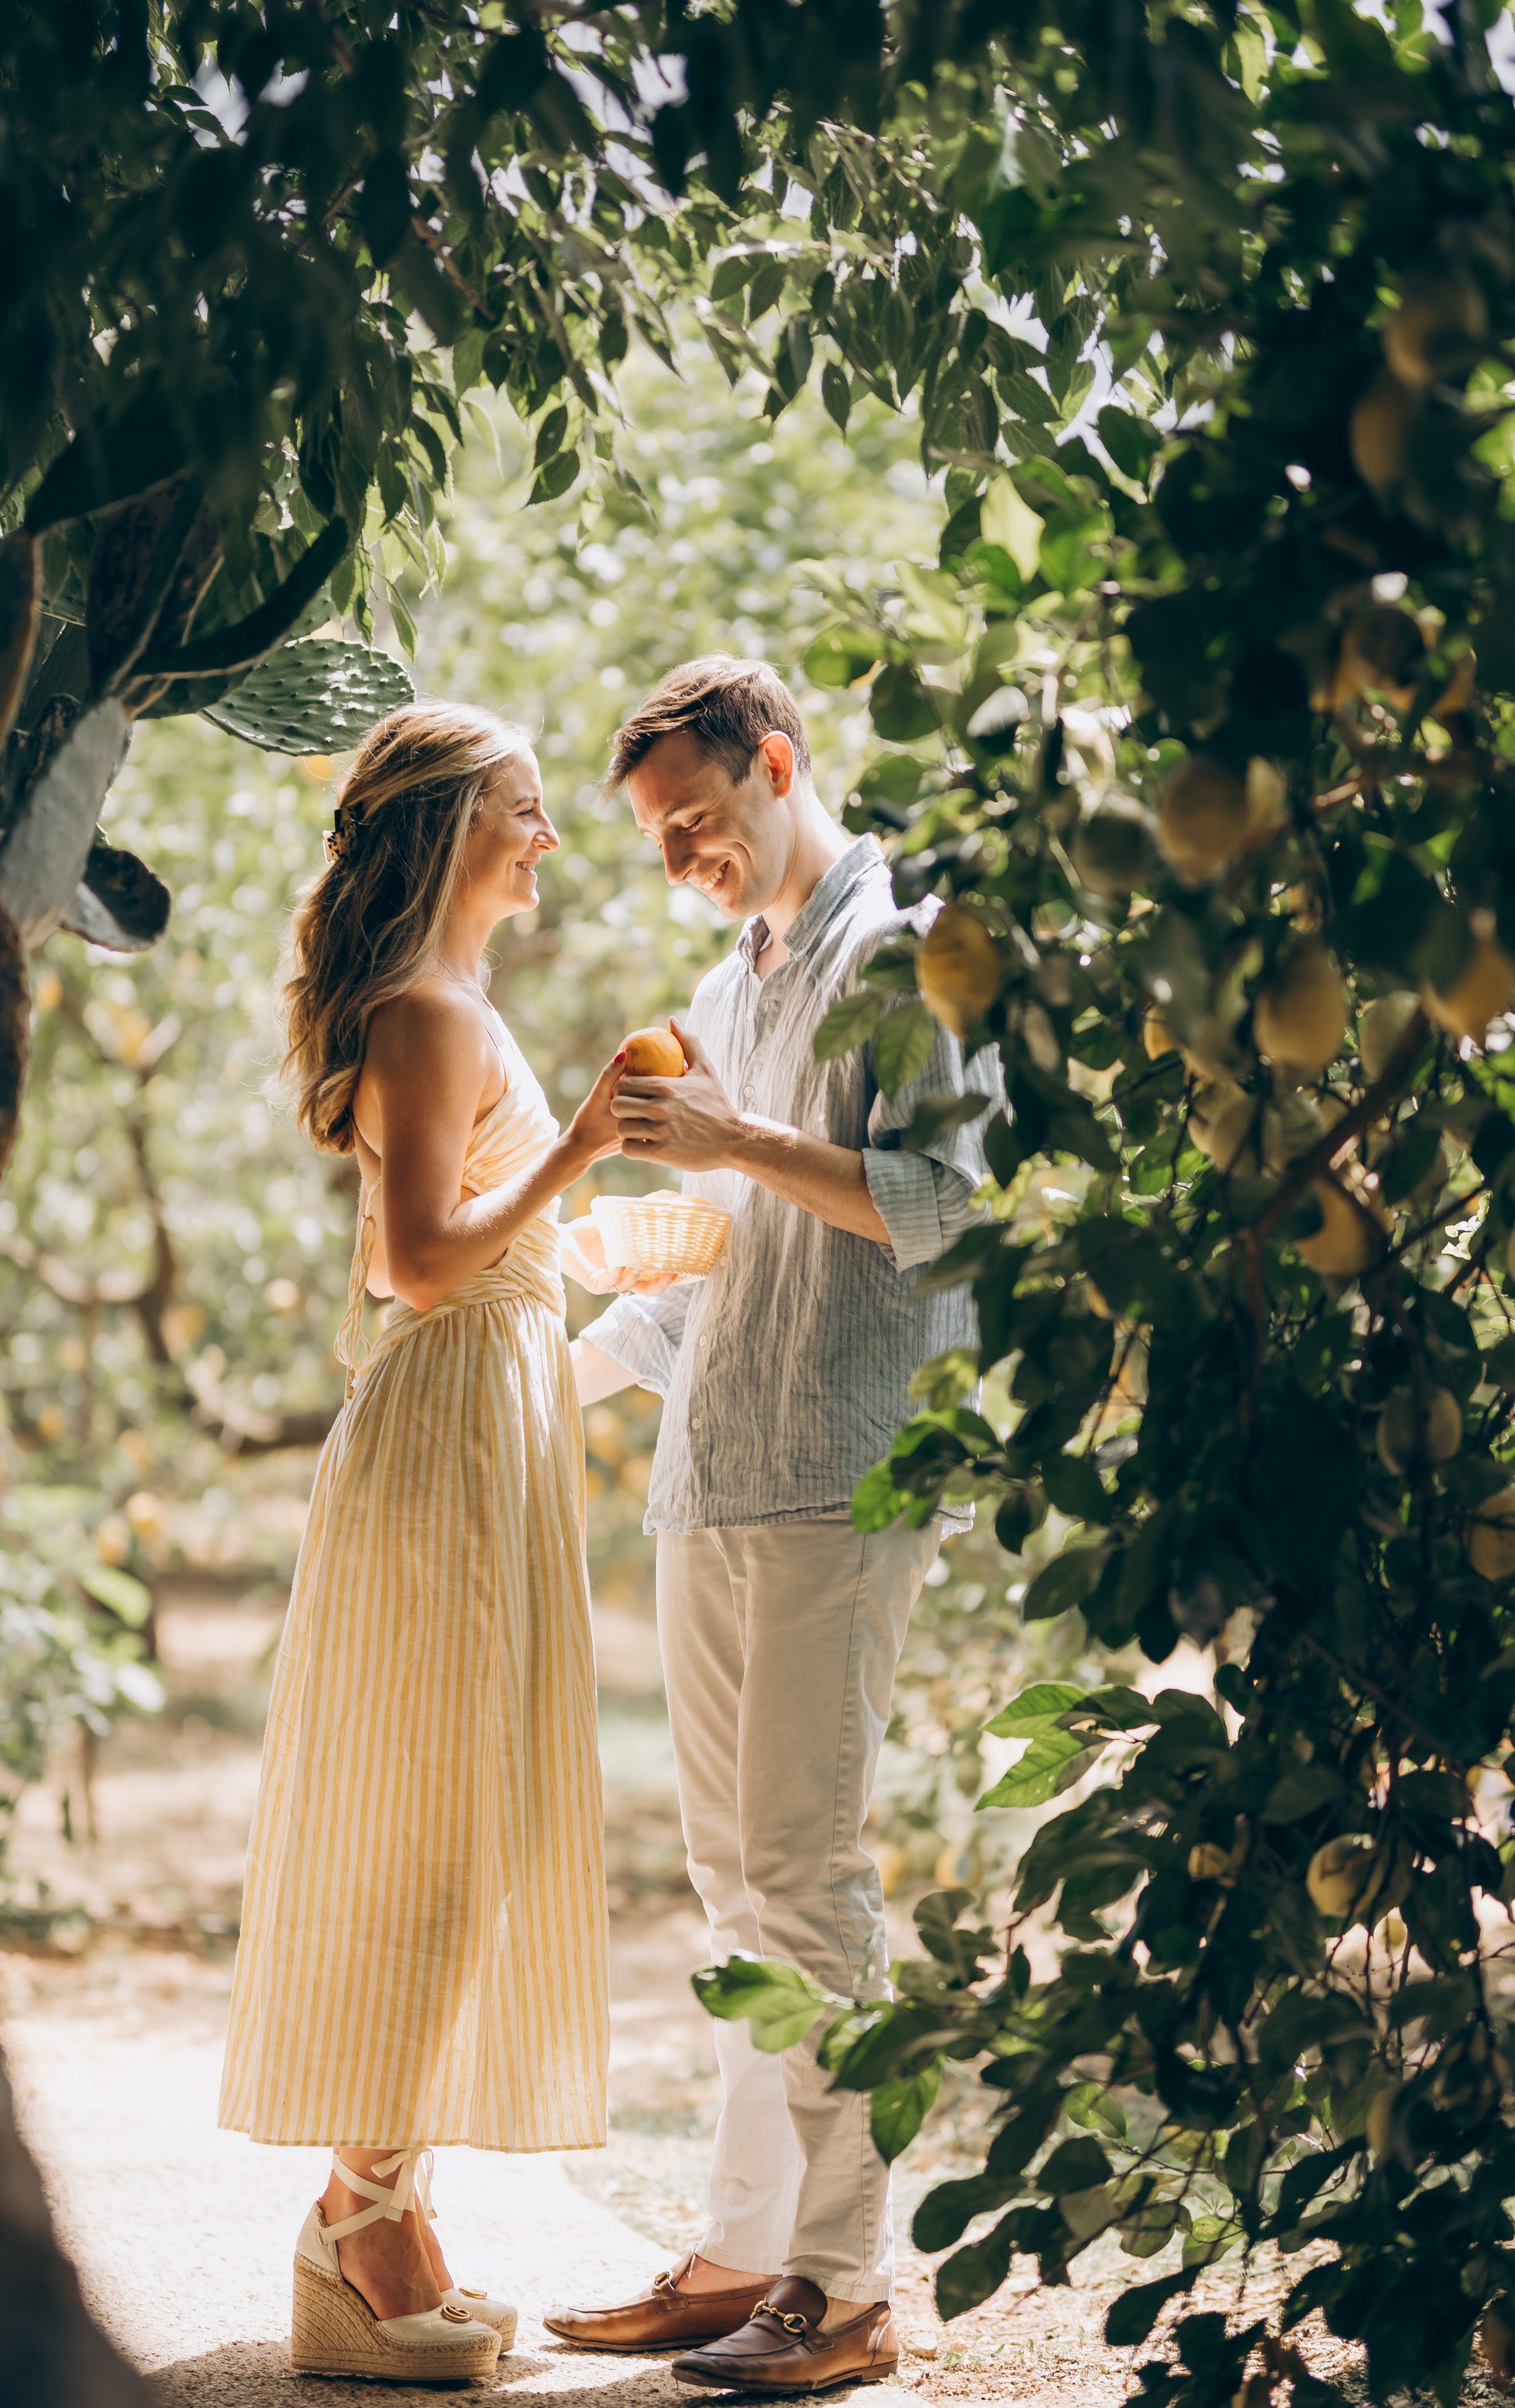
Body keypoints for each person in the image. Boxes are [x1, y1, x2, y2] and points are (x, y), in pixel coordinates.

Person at [544, 657, 1000, 2395]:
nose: (685, 861)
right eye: (661, 841)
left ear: (781, 768)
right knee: (733, 1886)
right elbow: (729, 1255)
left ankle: (846, 2283)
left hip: (846, 1467)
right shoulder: (730, 985)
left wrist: (740, 1138)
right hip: (715, 1470)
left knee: (810, 1877)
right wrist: (549, 1374)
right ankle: (742, 2256)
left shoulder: (909, 956)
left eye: (699, 823)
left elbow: (950, 1214)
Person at [219, 702, 626, 2387]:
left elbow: (481, 1248)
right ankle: (359, 2221)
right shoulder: (423, 1008)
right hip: (450, 1430)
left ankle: (385, 2207)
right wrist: (589, 1150)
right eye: (522, 812)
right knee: (435, 1835)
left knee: (468, 1823)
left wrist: (614, 1248)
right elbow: (420, 1259)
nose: (547, 839)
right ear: (447, 829)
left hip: (490, 1420)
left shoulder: (457, 1008)